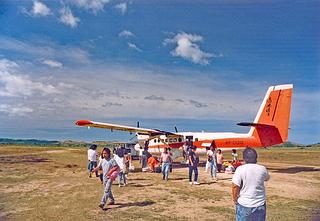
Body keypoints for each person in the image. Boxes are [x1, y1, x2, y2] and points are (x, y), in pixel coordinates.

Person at [232, 148, 270, 221]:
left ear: (244, 159)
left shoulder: (240, 169)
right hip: (260, 204)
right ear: (256, 158)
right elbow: (267, 178)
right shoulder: (262, 169)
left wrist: (235, 199)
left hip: (244, 204)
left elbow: (235, 186)